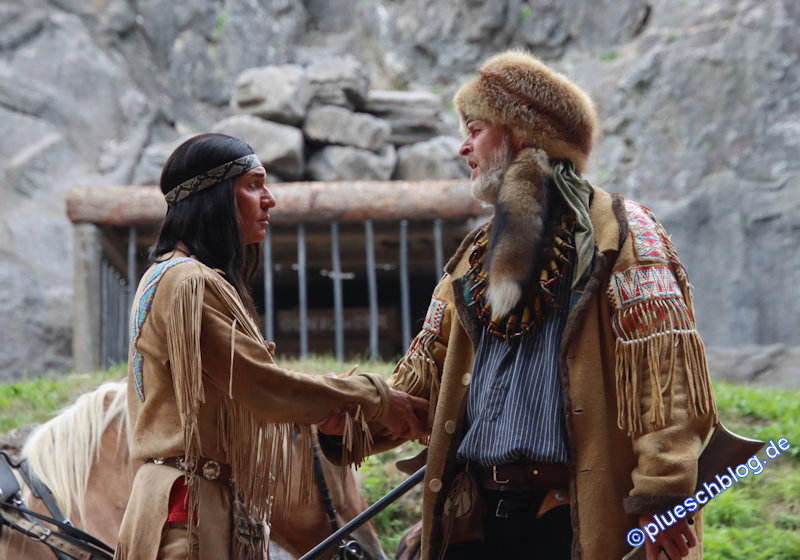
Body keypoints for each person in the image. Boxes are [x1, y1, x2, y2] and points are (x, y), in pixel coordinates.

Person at [381, 50, 717, 560]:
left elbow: (665, 375)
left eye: (475, 130)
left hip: (570, 518)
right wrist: (355, 414)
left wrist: (662, 493)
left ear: (520, 134)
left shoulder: (624, 232)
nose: (463, 147)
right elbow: (421, 377)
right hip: (476, 516)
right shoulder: (474, 254)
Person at [115, 133, 427, 560]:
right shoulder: (189, 283)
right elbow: (263, 386)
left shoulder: (168, 275)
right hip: (189, 518)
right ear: (215, 198)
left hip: (192, 507)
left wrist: (320, 414)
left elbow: (242, 400)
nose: (270, 199)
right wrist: (373, 397)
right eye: (254, 185)